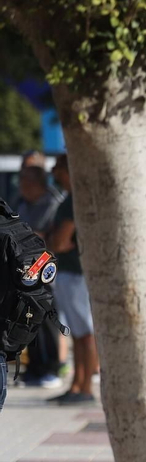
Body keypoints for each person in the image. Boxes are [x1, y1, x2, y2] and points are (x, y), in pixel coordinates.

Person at [43, 156, 98, 404]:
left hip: (76, 273)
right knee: (77, 333)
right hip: (70, 272)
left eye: (58, 167)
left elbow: (61, 241)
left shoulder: (76, 199)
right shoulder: (69, 198)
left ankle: (85, 387)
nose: (54, 172)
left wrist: (49, 240)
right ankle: (77, 384)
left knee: (85, 333)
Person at [14, 165, 62, 389]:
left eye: (26, 184)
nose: (22, 188)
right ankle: (34, 368)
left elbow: (41, 236)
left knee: (46, 321)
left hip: (45, 267)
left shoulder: (51, 202)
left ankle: (51, 368)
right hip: (25, 269)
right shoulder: (23, 202)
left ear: (37, 184)